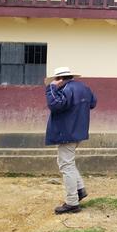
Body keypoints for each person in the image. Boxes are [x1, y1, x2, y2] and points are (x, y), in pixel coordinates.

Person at [45, 66, 97, 215]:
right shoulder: (84, 88)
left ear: (61, 79)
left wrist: (50, 89)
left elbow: (54, 105)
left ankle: (72, 202)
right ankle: (79, 190)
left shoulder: (65, 89)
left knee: (65, 165)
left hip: (67, 132)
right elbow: (93, 103)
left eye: (55, 79)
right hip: (78, 131)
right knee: (68, 163)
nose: (54, 82)